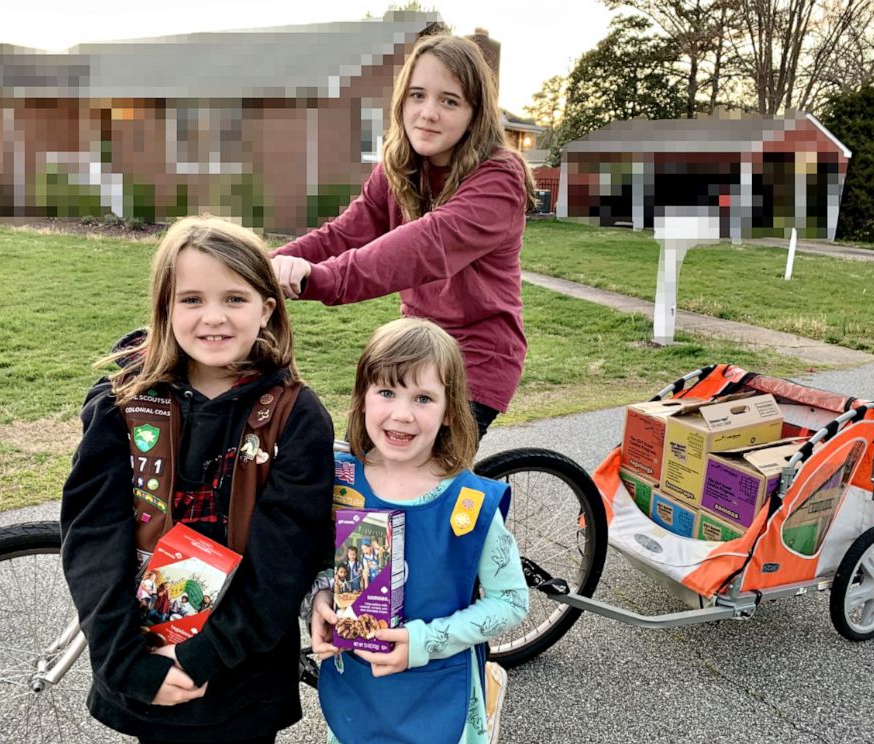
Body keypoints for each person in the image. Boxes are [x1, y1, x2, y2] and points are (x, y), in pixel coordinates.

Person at [60, 215, 334, 744]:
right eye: (192, 300)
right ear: (165, 307)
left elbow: (283, 564)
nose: (214, 318)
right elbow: (92, 538)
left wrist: (197, 657)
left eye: (235, 299)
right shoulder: (123, 400)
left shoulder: (294, 418)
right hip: (142, 660)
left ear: (267, 309)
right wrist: (127, 661)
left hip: (239, 679)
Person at [271, 34, 537, 439]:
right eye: (418, 95)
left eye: (449, 101)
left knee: (420, 478)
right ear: (402, 101)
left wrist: (316, 278)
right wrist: (255, 267)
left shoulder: (500, 177)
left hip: (476, 359)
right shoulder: (399, 167)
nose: (428, 113)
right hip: (416, 348)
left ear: (474, 113)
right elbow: (342, 234)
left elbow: (425, 245)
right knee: (366, 459)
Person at [310, 318, 529, 744]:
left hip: (440, 696)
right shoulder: (339, 483)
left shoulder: (469, 504)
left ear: (450, 412)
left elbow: (512, 602)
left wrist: (424, 640)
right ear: (362, 399)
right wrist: (320, 598)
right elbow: (322, 564)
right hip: (357, 689)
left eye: (424, 398)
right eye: (387, 392)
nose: (402, 414)